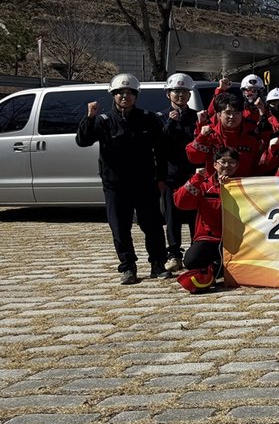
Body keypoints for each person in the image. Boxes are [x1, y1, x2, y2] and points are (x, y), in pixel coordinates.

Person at [76, 74, 170, 284]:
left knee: (152, 226)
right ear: (113, 95)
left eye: (129, 93)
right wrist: (89, 117)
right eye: (120, 93)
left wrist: (161, 177)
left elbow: (161, 151)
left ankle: (158, 264)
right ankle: (128, 267)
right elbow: (83, 141)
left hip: (145, 182)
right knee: (119, 227)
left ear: (136, 96)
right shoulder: (103, 121)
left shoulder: (148, 119)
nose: (125, 96)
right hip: (115, 185)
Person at [173, 146, 239, 287]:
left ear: (237, 165)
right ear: (215, 164)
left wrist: (229, 187)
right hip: (209, 238)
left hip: (236, 238)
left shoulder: (243, 185)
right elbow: (181, 203)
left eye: (232, 162)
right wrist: (196, 179)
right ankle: (214, 269)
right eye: (223, 162)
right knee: (191, 260)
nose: (227, 165)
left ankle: (215, 270)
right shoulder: (204, 184)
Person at [158, 73, 199, 273]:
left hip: (193, 174)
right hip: (171, 175)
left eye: (184, 91)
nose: (180, 95)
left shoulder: (197, 117)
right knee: (172, 217)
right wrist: (170, 123)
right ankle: (174, 254)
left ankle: (196, 252)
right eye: (176, 91)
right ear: (168, 94)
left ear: (189, 94)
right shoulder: (160, 117)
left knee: (195, 216)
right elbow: (159, 147)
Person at [187, 92, 265, 179]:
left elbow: (261, 165)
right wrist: (201, 137)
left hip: (244, 184)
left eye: (236, 113)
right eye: (228, 113)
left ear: (242, 114)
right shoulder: (209, 134)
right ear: (219, 114)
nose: (232, 116)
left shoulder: (252, 135)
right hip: (215, 185)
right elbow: (195, 159)